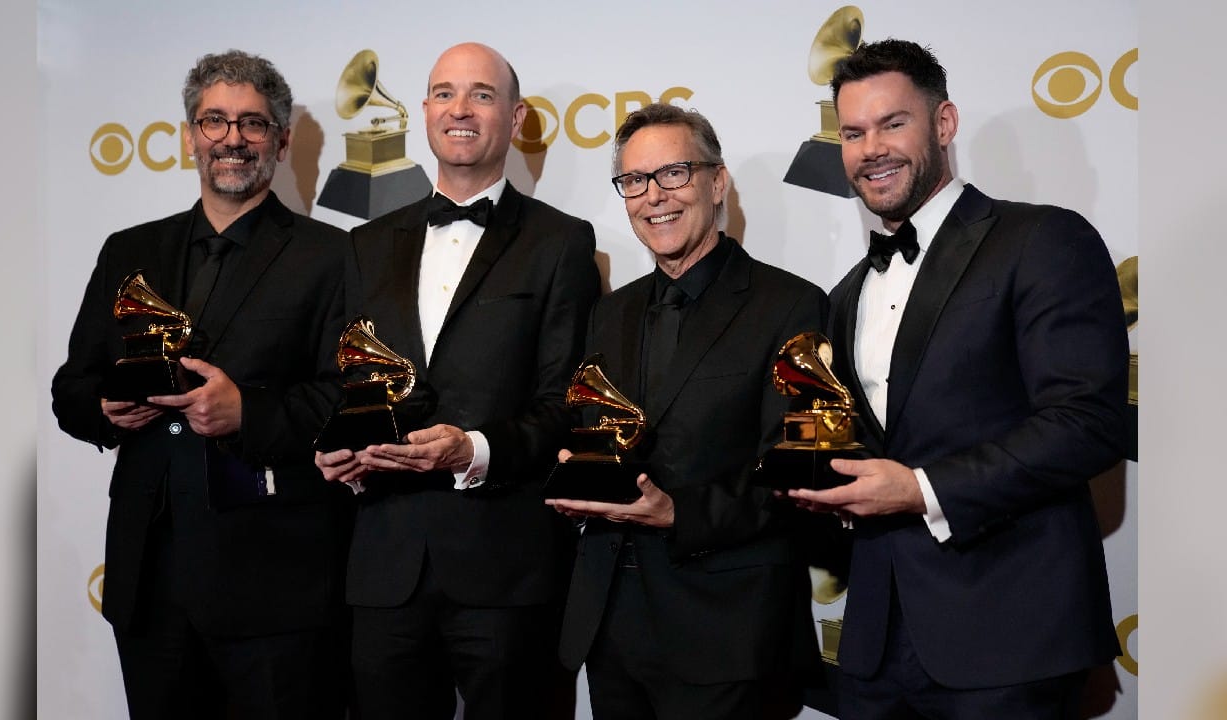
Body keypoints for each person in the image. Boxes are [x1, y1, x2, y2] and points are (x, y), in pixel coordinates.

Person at [785, 39, 1127, 719]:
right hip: (876, 645)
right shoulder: (847, 293)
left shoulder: (1042, 241)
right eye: (852, 133)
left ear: (943, 124)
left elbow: (1088, 422)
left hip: (1009, 638)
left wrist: (920, 489)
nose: (870, 148)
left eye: (892, 124)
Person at [51, 50, 352, 718]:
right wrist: (102, 410)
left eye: (251, 123)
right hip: (150, 579)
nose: (231, 139)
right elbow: (72, 385)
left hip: (275, 586)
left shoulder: (330, 256)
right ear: (190, 135)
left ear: (280, 140)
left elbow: (347, 397)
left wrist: (251, 411)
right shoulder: (130, 250)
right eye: (214, 121)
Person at [314, 42, 600, 720]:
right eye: (444, 93)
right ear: (424, 112)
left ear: (516, 116)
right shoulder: (365, 244)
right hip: (385, 566)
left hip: (506, 568)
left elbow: (569, 403)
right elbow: (346, 386)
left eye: (481, 94)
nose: (460, 110)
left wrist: (474, 449)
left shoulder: (562, 243)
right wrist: (343, 454)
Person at [546, 102, 830, 720]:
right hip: (612, 627)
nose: (654, 197)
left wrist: (679, 512)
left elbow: (801, 470)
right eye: (634, 181)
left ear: (717, 181)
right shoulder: (609, 312)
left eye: (674, 173)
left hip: (728, 631)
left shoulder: (791, 306)